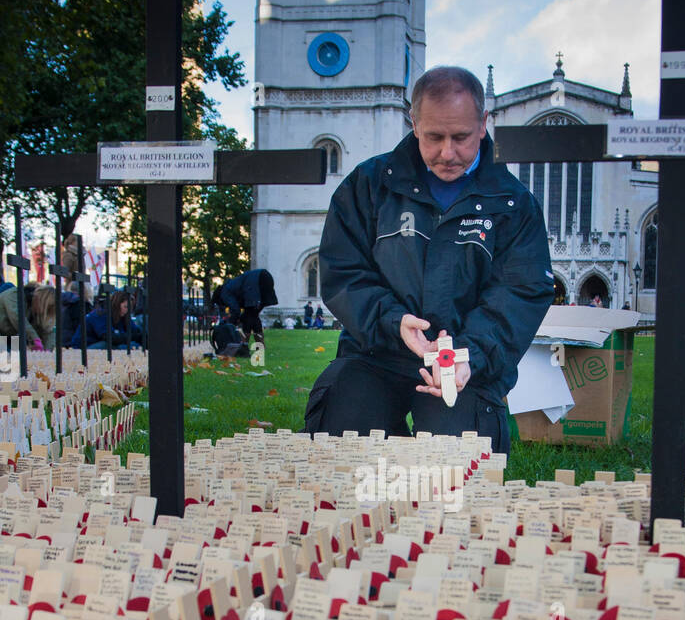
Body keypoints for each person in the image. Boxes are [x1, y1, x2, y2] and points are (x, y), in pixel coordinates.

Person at [303, 65, 555, 454]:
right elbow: (344, 272)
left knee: (459, 453)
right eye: (434, 136)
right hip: (378, 352)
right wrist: (392, 321)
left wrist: (471, 352)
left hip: (466, 363)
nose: (447, 153)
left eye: (461, 137)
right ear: (414, 123)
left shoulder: (513, 202)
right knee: (341, 424)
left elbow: (521, 291)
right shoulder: (368, 185)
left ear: (484, 123)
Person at [0, 280, 54, 348]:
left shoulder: (33, 308)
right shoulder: (15, 295)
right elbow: (17, 318)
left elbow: (46, 330)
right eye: (46, 309)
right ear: (41, 301)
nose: (43, 313)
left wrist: (47, 350)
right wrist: (35, 339)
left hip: (1, 336)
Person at [212, 269, 278, 343]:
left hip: (255, 281)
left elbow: (235, 310)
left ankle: (244, 345)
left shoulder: (224, 293)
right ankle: (260, 346)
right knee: (253, 316)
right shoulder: (232, 285)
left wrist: (230, 324)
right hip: (265, 277)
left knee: (248, 317)